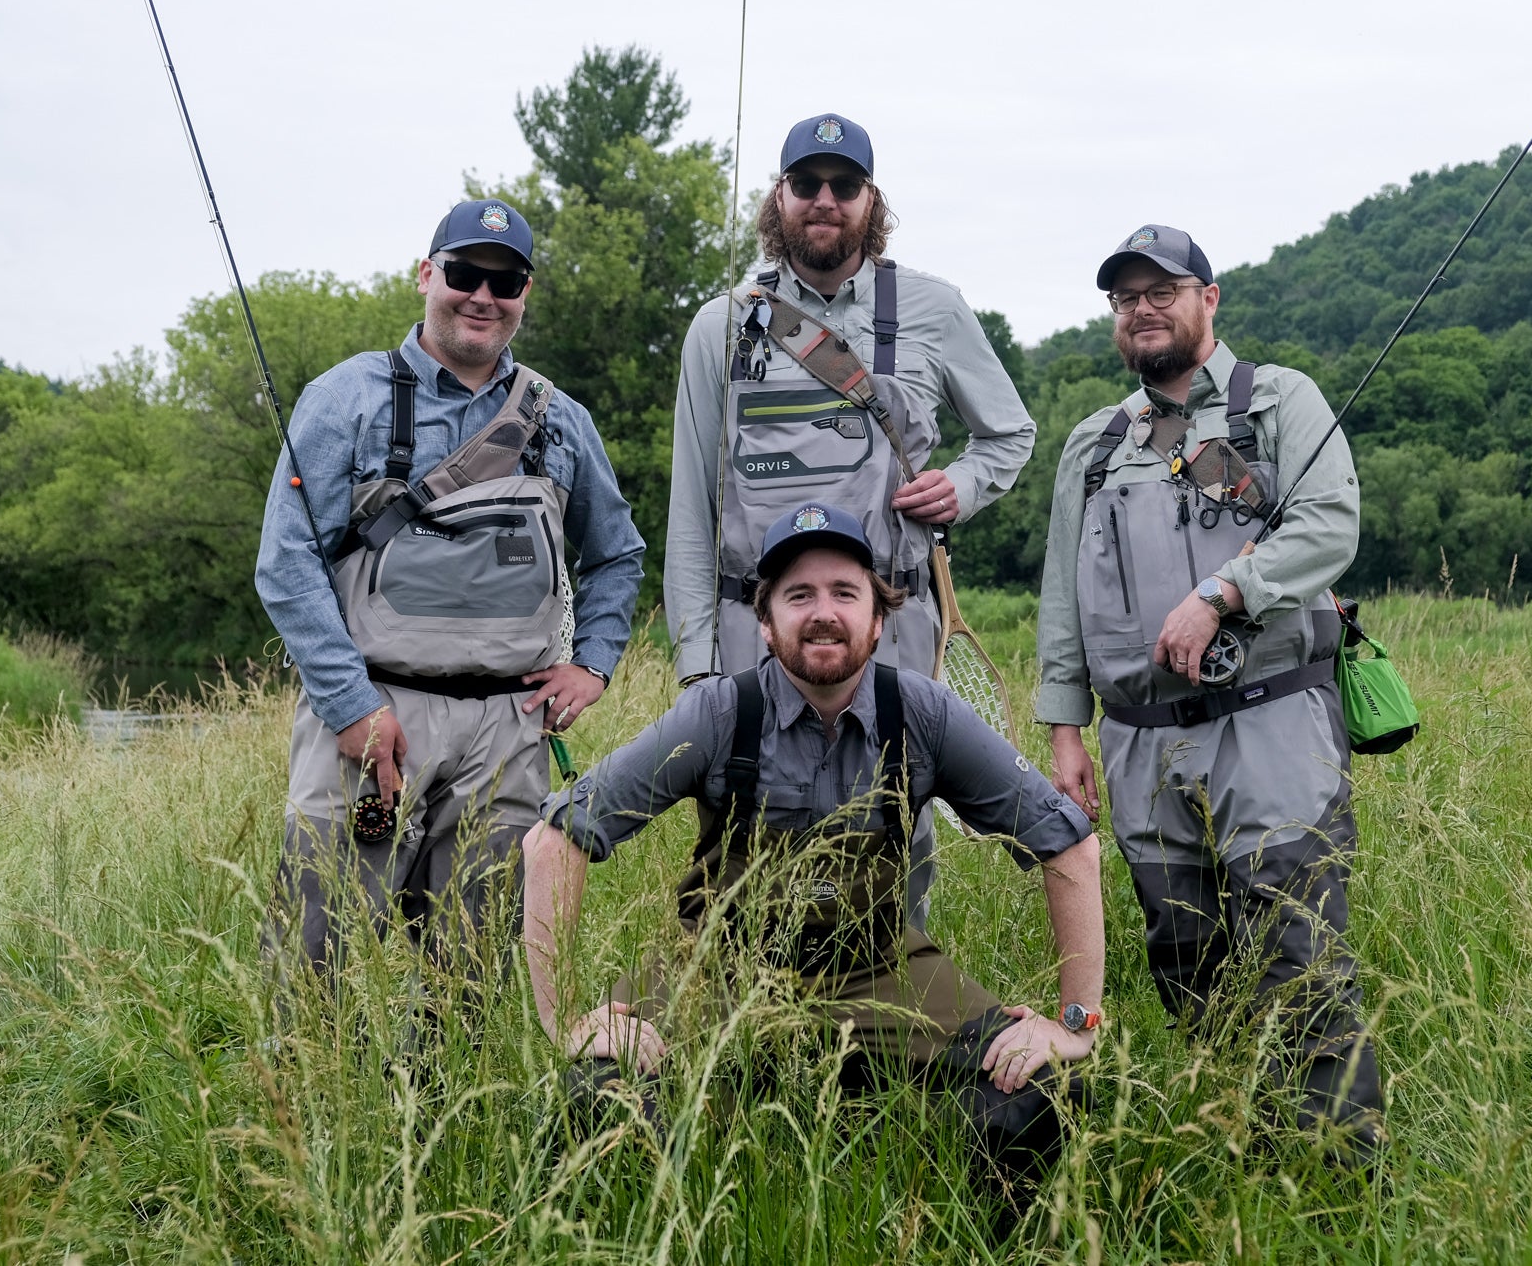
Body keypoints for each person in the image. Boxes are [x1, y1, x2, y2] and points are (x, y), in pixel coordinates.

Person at [524, 503, 1103, 1199]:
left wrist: (1075, 1024)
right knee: (600, 1089)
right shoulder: (717, 714)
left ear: (879, 618)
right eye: (798, 595)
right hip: (715, 968)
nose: (822, 612)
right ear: (764, 623)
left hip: (880, 969)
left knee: (1043, 1089)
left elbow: (1069, 843)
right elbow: (555, 838)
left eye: (844, 592)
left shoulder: (921, 712)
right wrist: (564, 1025)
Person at [1035, 224, 1384, 1153]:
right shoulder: (1095, 445)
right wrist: (1067, 734)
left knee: (1298, 953)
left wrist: (1222, 593)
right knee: (1185, 958)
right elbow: (1062, 596)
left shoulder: (1279, 402)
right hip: (1141, 740)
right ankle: (1245, 1149)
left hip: (1271, 718)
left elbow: (1328, 524)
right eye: (1125, 298)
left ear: (1209, 298)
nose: (1142, 311)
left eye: (1163, 290)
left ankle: (1343, 1174)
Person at [257, 198, 645, 987]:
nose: (483, 295)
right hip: (373, 716)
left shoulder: (563, 421)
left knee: (471, 971)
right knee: (312, 956)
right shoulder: (345, 398)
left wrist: (594, 663)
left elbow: (619, 555)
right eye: (465, 273)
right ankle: (297, 1104)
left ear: (525, 294)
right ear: (427, 274)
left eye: (506, 282)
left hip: (510, 732)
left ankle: (440, 1107)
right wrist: (350, 705)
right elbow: (286, 560)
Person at [666, 111, 1037, 926]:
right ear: (779, 197)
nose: (823, 201)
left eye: (844, 185)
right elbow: (690, 507)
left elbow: (1010, 432)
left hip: (894, 627)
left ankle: (890, 1015)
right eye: (807, 184)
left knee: (896, 832)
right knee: (742, 838)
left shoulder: (935, 309)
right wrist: (698, 665)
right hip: (749, 634)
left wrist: (962, 486)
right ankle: (742, 1032)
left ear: (873, 200)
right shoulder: (720, 324)